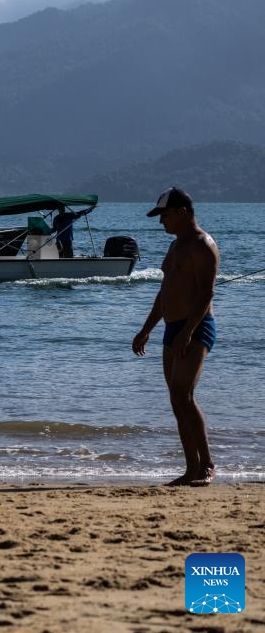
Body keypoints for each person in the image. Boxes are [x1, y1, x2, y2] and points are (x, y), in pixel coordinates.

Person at [132, 187, 219, 487]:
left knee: (184, 394)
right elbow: (164, 293)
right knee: (176, 399)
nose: (161, 223)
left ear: (182, 212)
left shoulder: (202, 245)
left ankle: (207, 465)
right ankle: (191, 468)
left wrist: (188, 332)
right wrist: (146, 329)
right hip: (172, 328)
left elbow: (206, 293)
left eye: (165, 215)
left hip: (195, 327)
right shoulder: (175, 247)